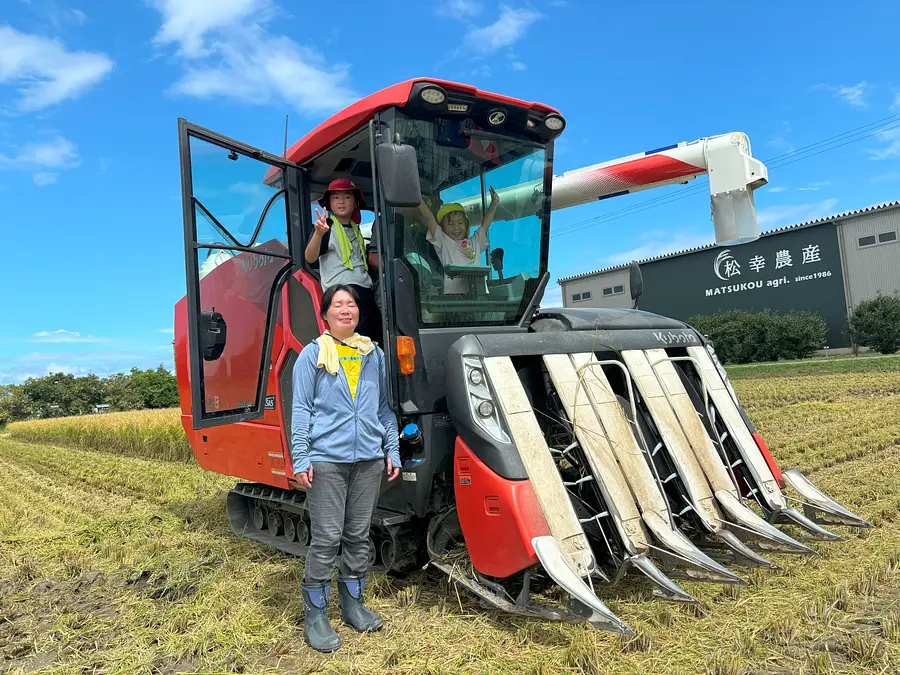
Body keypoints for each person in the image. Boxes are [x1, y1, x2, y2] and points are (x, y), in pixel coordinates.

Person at [290, 284, 401, 653]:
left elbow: (385, 408)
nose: (345, 309)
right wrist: (301, 457)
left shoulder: (374, 354)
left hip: (368, 459)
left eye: (351, 304)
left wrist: (392, 449)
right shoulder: (311, 355)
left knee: (357, 535)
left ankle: (353, 604)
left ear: (358, 313)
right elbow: (301, 409)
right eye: (337, 304)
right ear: (325, 314)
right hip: (327, 460)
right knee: (326, 538)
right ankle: (316, 614)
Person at [305, 179, 382, 340]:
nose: (341, 201)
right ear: (329, 204)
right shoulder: (326, 226)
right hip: (342, 292)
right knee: (356, 342)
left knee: (375, 338)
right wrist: (318, 233)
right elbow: (309, 258)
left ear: (355, 203)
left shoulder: (355, 229)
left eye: (347, 197)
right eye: (335, 197)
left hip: (364, 290)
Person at [417, 186, 500, 294]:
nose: (456, 227)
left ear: (466, 225)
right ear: (443, 228)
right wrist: (416, 196)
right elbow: (428, 217)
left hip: (480, 300)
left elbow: (487, 222)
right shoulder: (443, 242)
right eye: (451, 224)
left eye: (460, 223)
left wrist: (494, 203)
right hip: (455, 301)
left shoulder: (475, 242)